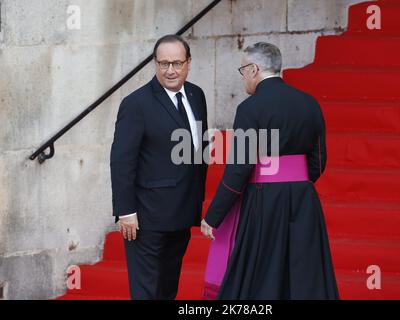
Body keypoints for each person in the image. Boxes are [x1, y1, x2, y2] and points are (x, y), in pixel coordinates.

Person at [201, 42, 339, 299]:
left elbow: (239, 169)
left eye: (243, 70)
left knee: (262, 276)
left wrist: (213, 216)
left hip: (264, 201)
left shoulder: (250, 108)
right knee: (303, 273)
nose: (244, 78)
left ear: (254, 69)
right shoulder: (309, 103)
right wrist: (294, 180)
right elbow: (318, 161)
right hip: (303, 199)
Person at [110, 34, 208, 300]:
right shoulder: (136, 104)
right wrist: (125, 211)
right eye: (163, 63)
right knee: (146, 290)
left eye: (177, 63)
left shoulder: (197, 95)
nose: (170, 70)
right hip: (147, 216)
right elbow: (121, 160)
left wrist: (197, 200)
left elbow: (199, 150)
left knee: (168, 287)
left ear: (189, 62)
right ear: (155, 63)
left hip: (183, 210)